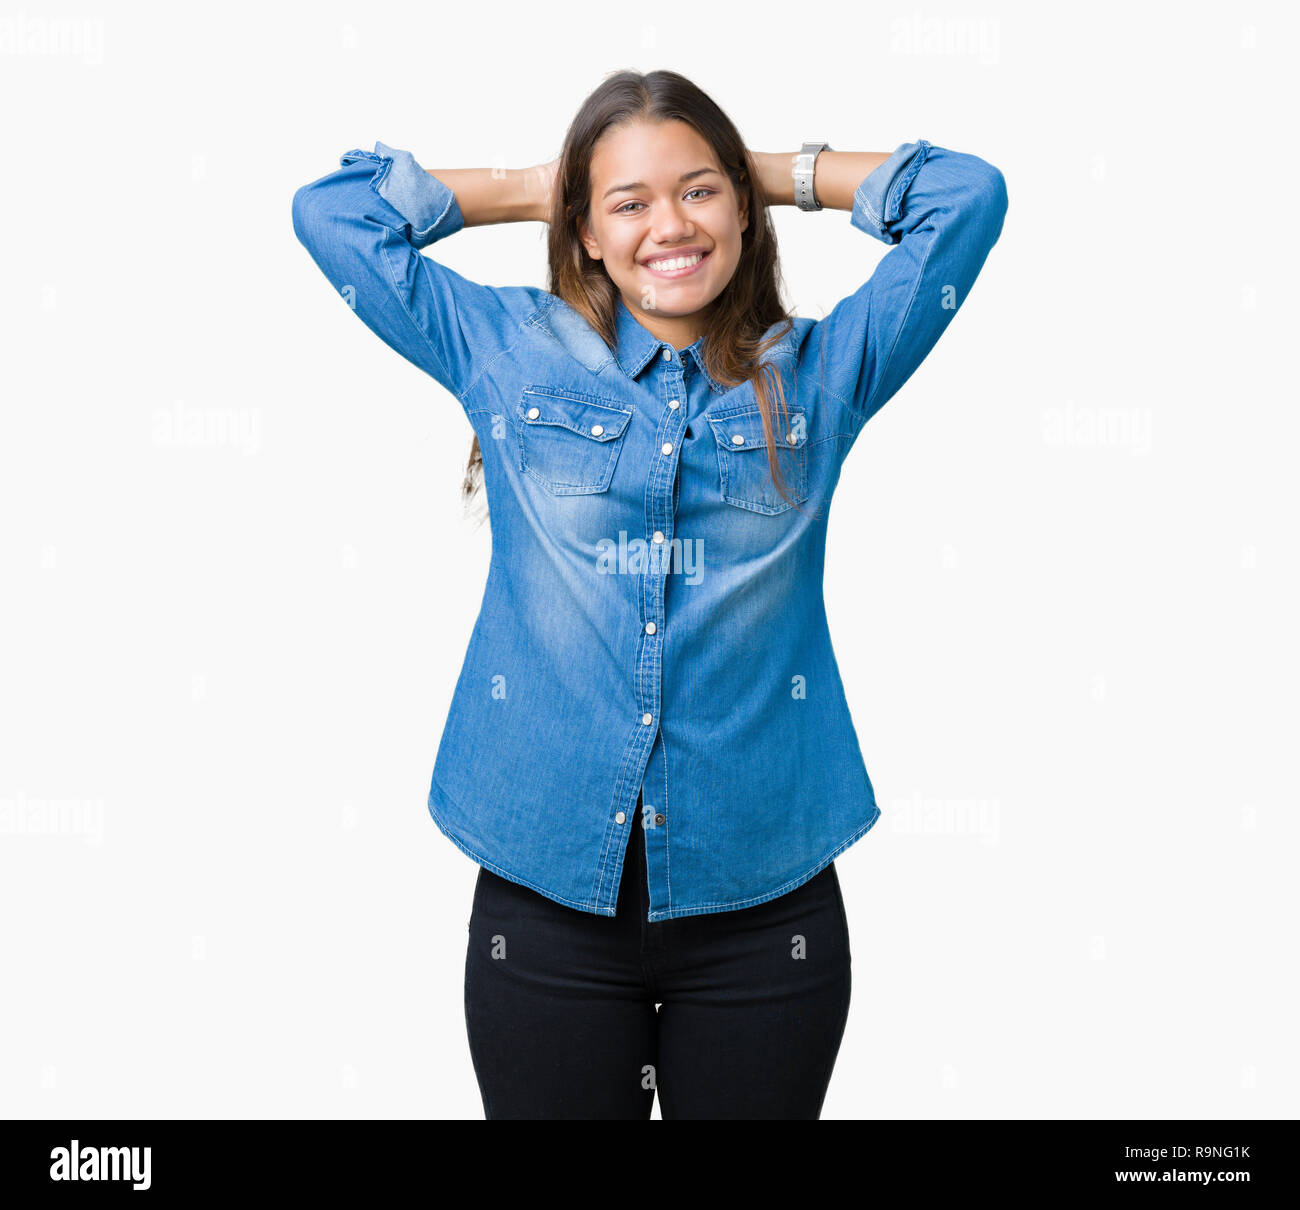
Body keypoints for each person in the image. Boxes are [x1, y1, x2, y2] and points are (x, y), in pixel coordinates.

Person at [292, 68, 1007, 1119]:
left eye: (698, 192)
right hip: (545, 902)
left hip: (764, 914)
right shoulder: (504, 349)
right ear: (582, 228)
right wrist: (552, 185)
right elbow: (332, 214)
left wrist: (758, 172)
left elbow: (967, 196)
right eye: (627, 203)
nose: (668, 223)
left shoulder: (821, 373)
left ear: (740, 210)